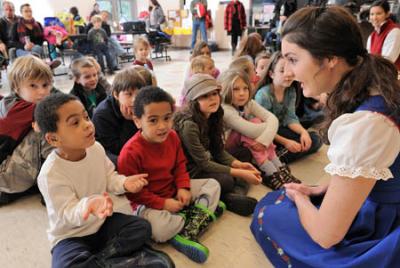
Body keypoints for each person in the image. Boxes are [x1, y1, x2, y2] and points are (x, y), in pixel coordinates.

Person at [251, 6, 400, 267]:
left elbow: (326, 235)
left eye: (294, 59)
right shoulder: (377, 85)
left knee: (270, 215)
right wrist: (322, 188)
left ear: (330, 58)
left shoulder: (367, 123)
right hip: (383, 198)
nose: (290, 72)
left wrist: (300, 198)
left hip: (388, 222)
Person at [34, 93, 174, 268]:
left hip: (101, 225)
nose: (87, 124)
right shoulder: (50, 174)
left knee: (141, 227)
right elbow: (66, 215)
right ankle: (123, 259)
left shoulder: (96, 148)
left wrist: (124, 183)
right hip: (71, 236)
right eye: (75, 122)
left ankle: (104, 261)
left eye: (86, 117)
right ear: (54, 138)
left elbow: (109, 177)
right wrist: (88, 205)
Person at [118, 86, 221, 263]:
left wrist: (183, 187)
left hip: (172, 190)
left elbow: (180, 165)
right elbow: (134, 194)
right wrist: (163, 203)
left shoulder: (172, 136)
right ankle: (197, 216)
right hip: (147, 203)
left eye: (167, 118)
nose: (163, 126)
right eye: (153, 120)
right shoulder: (129, 153)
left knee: (213, 185)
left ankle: (186, 227)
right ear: (137, 121)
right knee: (160, 229)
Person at [174, 74, 262, 216]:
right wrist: (240, 172)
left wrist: (239, 164)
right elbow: (204, 163)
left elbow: (218, 150)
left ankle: (232, 194)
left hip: (207, 159)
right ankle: (228, 196)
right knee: (227, 180)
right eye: (204, 96)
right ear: (194, 101)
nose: (212, 98)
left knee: (244, 154)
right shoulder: (189, 125)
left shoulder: (214, 114)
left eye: (214, 93)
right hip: (192, 170)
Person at [220, 70, 300, 190]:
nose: (242, 93)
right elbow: (252, 131)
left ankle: (279, 170)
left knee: (256, 122)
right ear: (227, 89)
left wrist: (265, 139)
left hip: (244, 145)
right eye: (236, 89)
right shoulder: (225, 109)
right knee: (252, 127)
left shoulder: (248, 103)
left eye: (245, 88)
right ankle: (272, 173)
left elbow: (273, 119)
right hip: (226, 150)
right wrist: (268, 129)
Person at [0, 56, 53, 205]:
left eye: (45, 85)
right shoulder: (16, 109)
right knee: (47, 126)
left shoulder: (19, 102)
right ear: (17, 88)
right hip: (4, 174)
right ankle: (52, 186)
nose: (42, 92)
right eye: (33, 86)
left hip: (9, 167)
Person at [255, 51, 322, 163]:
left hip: (281, 130)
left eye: (290, 70)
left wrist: (303, 133)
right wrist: (286, 142)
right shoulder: (264, 95)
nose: (288, 74)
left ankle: (278, 154)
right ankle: (274, 158)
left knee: (315, 139)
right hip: (265, 134)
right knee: (301, 141)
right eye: (282, 71)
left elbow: (290, 118)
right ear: (271, 74)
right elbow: (263, 128)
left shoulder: (291, 91)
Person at [92, 67, 146, 168]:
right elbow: (118, 149)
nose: (134, 99)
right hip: (109, 154)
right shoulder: (102, 115)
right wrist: (130, 121)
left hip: (133, 148)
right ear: (116, 94)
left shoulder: (141, 104)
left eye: (138, 94)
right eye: (128, 94)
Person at [367, 0, 400, 70]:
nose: (374, 17)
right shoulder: (372, 36)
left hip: (392, 77)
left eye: (378, 14)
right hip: (378, 76)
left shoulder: (394, 31)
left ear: (387, 14)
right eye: (372, 14)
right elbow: (368, 59)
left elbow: (387, 61)